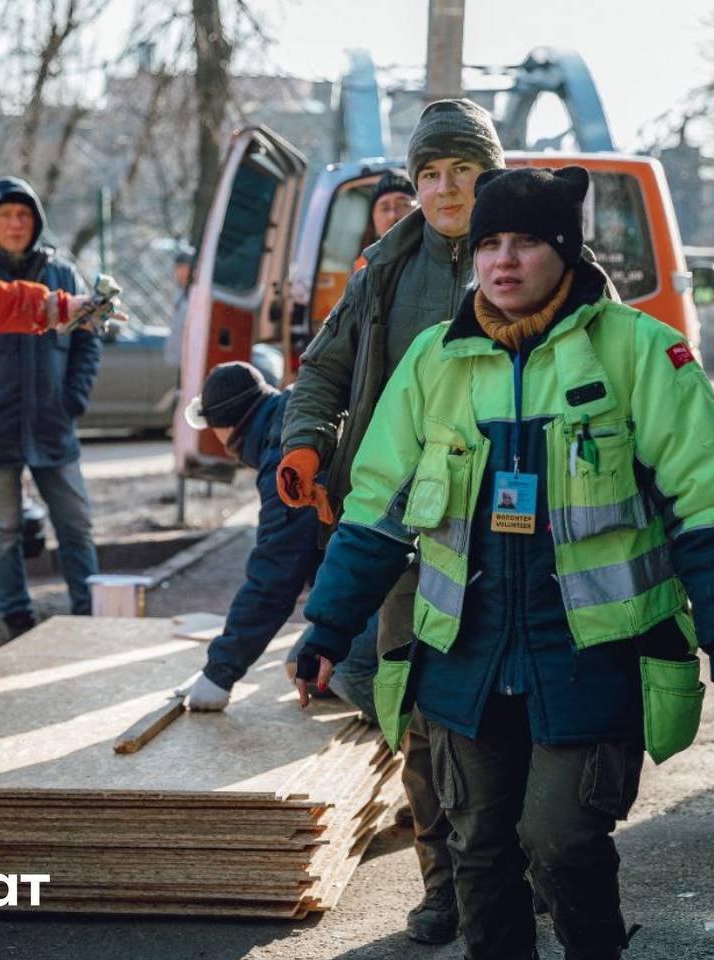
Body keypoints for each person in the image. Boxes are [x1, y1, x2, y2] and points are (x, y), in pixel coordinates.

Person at [293, 166, 714, 960]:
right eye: (489, 245)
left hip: (592, 655)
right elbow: (375, 509)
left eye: (525, 243)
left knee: (559, 840)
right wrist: (327, 628)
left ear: (565, 250)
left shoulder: (641, 352)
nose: (503, 261)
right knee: (478, 852)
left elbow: (710, 504)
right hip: (467, 656)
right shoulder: (434, 361)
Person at [277, 98, 506, 945]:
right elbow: (322, 368)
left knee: (509, 710)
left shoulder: (540, 258)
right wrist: (306, 443)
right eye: (431, 173)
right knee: (416, 709)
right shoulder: (385, 266)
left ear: (492, 174)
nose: (447, 189)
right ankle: (444, 886)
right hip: (401, 528)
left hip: (509, 533)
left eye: (464, 170)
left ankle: (515, 870)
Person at [174, 362, 377, 717]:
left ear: (225, 426)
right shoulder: (287, 418)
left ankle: (438, 727)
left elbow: (274, 578)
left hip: (394, 578)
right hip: (370, 573)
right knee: (305, 671)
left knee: (347, 673)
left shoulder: (288, 458)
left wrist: (220, 673)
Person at [0, 178, 101, 637]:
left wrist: (72, 398)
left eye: (23, 215)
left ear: (36, 221)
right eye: (5, 215)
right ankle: (16, 618)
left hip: (53, 425)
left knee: (76, 524)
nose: (16, 224)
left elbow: (88, 341)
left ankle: (92, 610)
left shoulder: (63, 274)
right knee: (2, 531)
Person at [352, 170, 417, 272]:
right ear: (373, 220)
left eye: (402, 205)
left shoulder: (438, 254)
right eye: (385, 208)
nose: (393, 216)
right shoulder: (362, 267)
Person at [164, 242, 195, 367]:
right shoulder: (179, 293)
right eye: (178, 268)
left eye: (185, 267)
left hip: (193, 357)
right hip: (178, 359)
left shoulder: (197, 294)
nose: (180, 272)